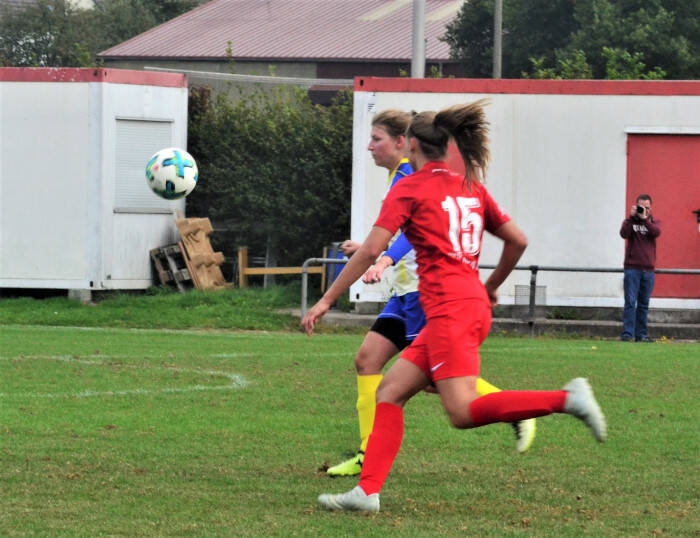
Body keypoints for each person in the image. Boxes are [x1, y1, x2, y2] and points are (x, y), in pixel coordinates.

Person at [302, 100, 606, 513]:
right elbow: (517, 241)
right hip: (468, 304)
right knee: (390, 391)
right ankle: (367, 492)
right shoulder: (470, 187)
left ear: (411, 144)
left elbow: (371, 250)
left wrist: (325, 299)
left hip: (449, 310)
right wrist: (491, 286)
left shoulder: (410, 187)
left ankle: (565, 399)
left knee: (461, 411)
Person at [327, 110, 536, 477]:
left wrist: (383, 259)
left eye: (376, 139)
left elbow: (412, 233)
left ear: (403, 142)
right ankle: (366, 452)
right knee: (368, 360)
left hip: (423, 293)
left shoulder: (410, 177)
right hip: (403, 293)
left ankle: (512, 409)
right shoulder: (402, 176)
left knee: (431, 380)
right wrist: (377, 253)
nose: (370, 146)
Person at [619, 194, 661, 342]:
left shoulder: (654, 222)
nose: (644, 210)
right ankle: (627, 334)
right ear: (636, 206)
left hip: (648, 270)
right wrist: (631, 218)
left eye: (647, 207)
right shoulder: (630, 222)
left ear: (651, 208)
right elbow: (623, 234)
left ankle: (641, 335)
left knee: (643, 304)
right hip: (632, 268)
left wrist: (644, 219)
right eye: (641, 207)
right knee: (630, 302)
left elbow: (656, 233)